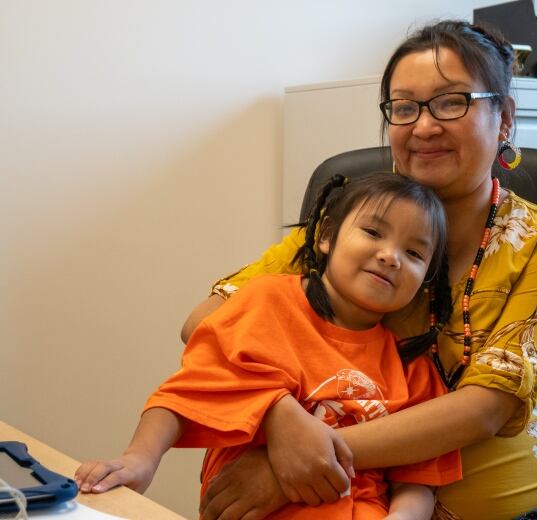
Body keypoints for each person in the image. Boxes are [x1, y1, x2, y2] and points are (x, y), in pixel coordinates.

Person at [184, 20, 537, 520]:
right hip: (330, 502)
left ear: (503, 119)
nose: (424, 126)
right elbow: (204, 322)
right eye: (405, 107)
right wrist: (280, 419)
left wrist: (306, 457)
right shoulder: (357, 221)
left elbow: (487, 407)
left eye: (451, 102)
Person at [74, 173, 462, 520]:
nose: (390, 256)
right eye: (374, 233)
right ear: (326, 236)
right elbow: (185, 393)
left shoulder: (413, 365)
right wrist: (139, 460)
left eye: (414, 253)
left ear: (426, 279)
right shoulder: (266, 302)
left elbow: (419, 480)